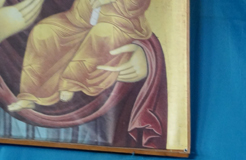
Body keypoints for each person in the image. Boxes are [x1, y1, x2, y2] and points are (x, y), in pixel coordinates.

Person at [9, 0, 153, 111]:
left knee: (101, 34)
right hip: (81, 19)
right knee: (44, 31)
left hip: (119, 23)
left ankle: (71, 83)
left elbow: (137, 4)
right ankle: (31, 96)